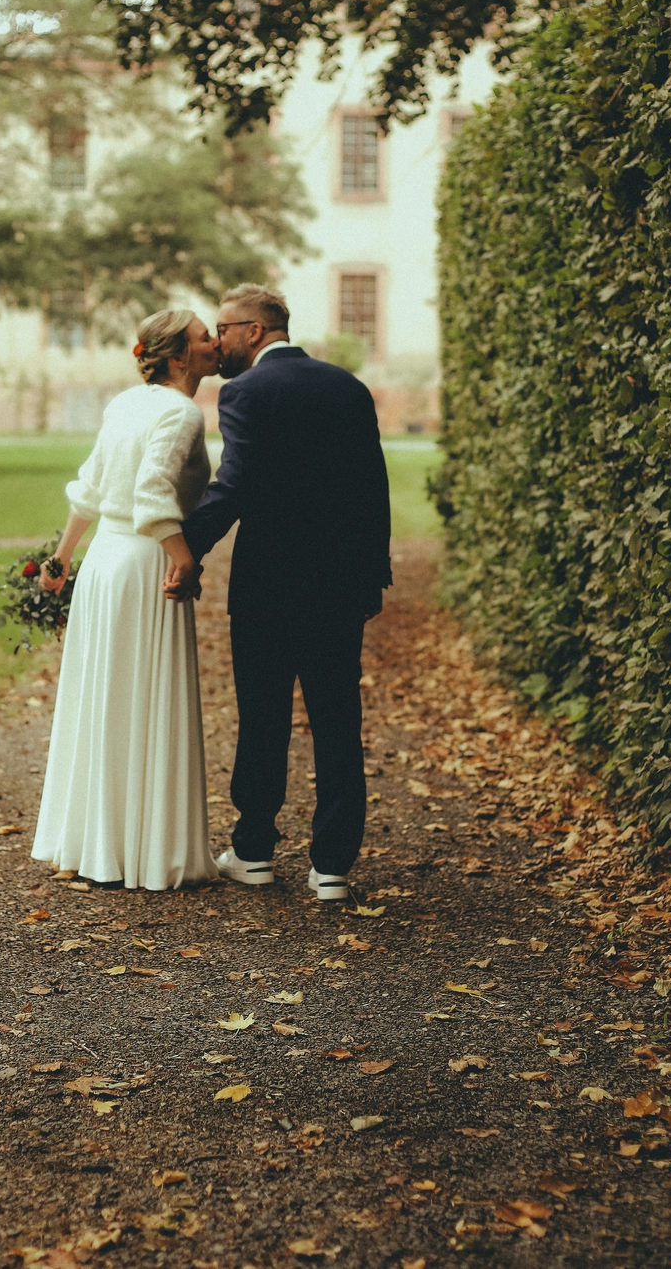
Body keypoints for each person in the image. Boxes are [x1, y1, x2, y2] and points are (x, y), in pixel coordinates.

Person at [172, 284, 392, 901]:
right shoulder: (348, 387)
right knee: (337, 720)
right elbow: (372, 488)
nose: (217, 341)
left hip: (268, 583)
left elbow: (234, 485)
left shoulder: (245, 392)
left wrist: (184, 546)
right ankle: (333, 867)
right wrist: (373, 575)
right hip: (339, 584)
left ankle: (254, 852)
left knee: (263, 717)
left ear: (254, 330)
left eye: (223, 329)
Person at [30, 309, 220, 890]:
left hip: (104, 564)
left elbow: (89, 488)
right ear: (179, 357)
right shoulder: (182, 412)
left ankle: (91, 845)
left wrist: (62, 558)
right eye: (203, 337)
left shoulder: (123, 404)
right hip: (143, 563)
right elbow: (152, 495)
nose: (215, 343)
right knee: (137, 697)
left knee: (104, 699)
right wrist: (184, 558)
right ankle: (142, 851)